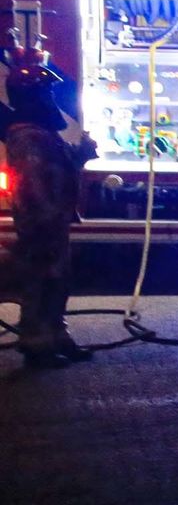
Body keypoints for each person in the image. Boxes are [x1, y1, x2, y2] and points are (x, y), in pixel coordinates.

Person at [0, 46, 97, 368]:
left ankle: (56, 336)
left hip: (53, 221)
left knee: (57, 280)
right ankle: (37, 346)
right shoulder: (29, 138)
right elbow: (34, 185)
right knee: (41, 282)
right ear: (32, 98)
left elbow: (57, 170)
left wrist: (80, 155)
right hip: (42, 223)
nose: (51, 99)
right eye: (47, 92)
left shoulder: (40, 135)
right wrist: (45, 223)